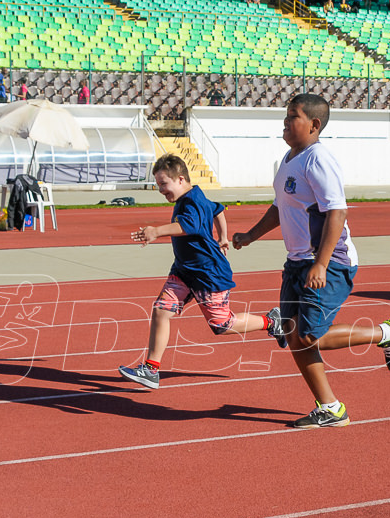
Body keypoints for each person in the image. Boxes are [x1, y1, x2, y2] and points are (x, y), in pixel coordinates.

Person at [232, 94, 390, 429]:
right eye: (284, 116)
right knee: (294, 337)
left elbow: (336, 212)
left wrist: (321, 263)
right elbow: (279, 208)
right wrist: (251, 236)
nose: (285, 123)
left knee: (309, 336)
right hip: (297, 262)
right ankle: (330, 407)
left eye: (292, 117)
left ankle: (387, 332)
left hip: (330, 261)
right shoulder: (288, 159)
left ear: (314, 125)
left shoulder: (318, 159)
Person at [118, 154, 285, 390]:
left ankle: (271, 321)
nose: (160, 190)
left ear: (181, 179)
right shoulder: (193, 196)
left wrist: (156, 231)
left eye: (163, 184)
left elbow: (189, 226)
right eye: (157, 185)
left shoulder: (192, 201)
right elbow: (218, 210)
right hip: (184, 272)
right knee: (161, 311)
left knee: (222, 325)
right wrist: (223, 237)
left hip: (208, 274)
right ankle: (151, 369)